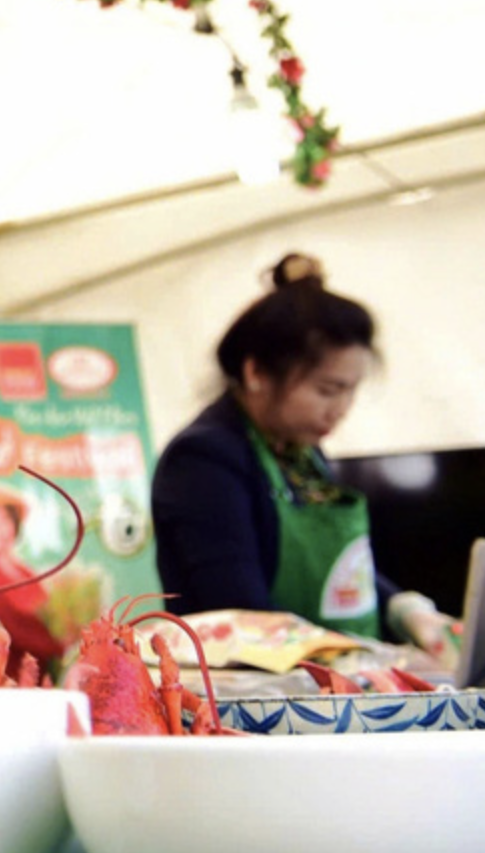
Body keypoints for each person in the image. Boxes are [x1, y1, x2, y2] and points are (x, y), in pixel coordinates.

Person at [152, 254, 459, 658]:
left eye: (351, 390)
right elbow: (241, 611)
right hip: (249, 698)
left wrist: (405, 610)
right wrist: (356, 655)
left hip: (324, 678)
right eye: (327, 390)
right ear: (256, 373)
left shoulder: (302, 453)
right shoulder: (203, 459)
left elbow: (341, 574)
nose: (341, 408)